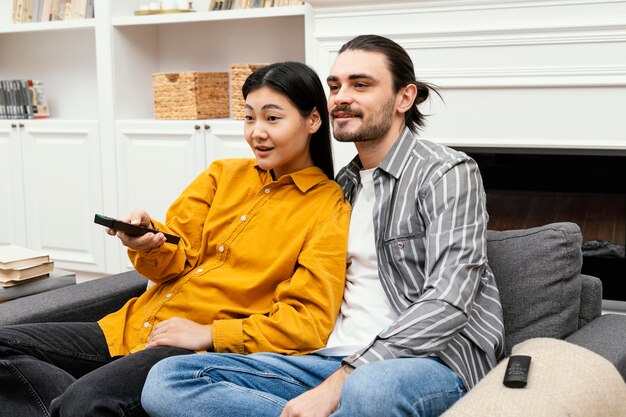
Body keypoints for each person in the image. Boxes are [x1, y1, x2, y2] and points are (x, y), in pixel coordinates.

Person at [141, 34, 506, 417]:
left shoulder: (446, 172)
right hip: (324, 358)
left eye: (360, 84)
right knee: (170, 379)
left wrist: (341, 382)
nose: (340, 97)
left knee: (371, 388)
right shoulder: (338, 188)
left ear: (405, 97)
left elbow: (448, 299)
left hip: (430, 363)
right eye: (335, 86)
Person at [0, 61, 351, 417]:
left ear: (313, 121)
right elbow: (176, 253)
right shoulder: (222, 175)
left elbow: (307, 323)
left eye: (272, 119)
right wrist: (145, 243)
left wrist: (209, 333)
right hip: (129, 328)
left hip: (190, 356)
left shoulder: (329, 209)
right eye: (249, 118)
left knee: (87, 401)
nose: (257, 132)